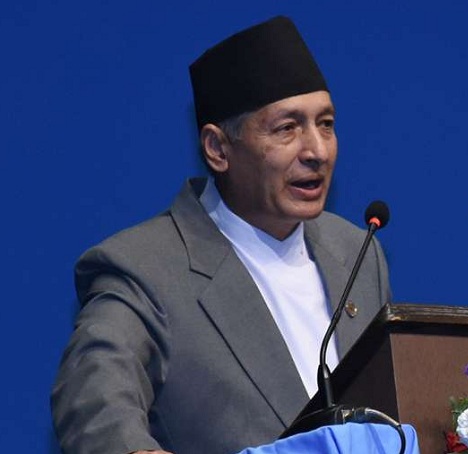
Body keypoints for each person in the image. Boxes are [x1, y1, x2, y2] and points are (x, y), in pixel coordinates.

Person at [51, 16, 391, 454]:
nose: (317, 151)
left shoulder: (357, 251)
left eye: (325, 123)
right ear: (217, 149)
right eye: (287, 128)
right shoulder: (144, 269)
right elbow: (93, 404)